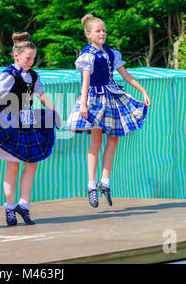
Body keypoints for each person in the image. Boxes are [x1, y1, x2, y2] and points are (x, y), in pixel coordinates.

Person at [0, 32, 61, 227]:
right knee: (12, 166)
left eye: (33, 58)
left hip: (26, 121)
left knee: (32, 163)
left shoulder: (33, 76)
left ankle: (24, 204)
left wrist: (55, 113)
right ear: (17, 56)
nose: (31, 61)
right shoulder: (8, 75)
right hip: (9, 122)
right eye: (27, 58)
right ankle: (9, 207)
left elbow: (42, 96)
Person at [65, 14, 151, 208]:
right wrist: (84, 103)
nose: (102, 33)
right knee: (96, 141)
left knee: (114, 137)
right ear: (88, 34)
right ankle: (91, 186)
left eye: (104, 30)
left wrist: (143, 90)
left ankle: (105, 182)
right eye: (98, 30)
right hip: (95, 99)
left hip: (111, 96)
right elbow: (85, 80)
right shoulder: (87, 55)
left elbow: (126, 76)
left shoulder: (112, 54)